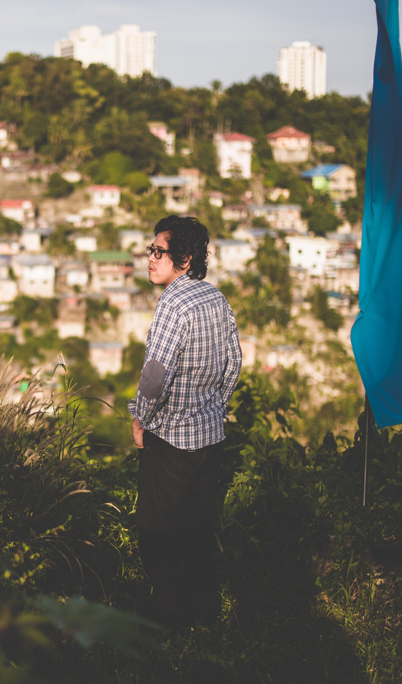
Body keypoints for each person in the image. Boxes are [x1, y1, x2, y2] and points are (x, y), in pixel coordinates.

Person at [128, 215, 242, 624]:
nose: (150, 258)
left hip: (172, 440)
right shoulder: (215, 298)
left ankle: (167, 611)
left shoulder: (172, 304)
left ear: (185, 258)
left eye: (159, 251)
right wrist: (216, 406)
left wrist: (140, 419)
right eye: (151, 249)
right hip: (211, 438)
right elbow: (234, 363)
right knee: (197, 527)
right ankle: (203, 610)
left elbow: (155, 376)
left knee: (156, 528)